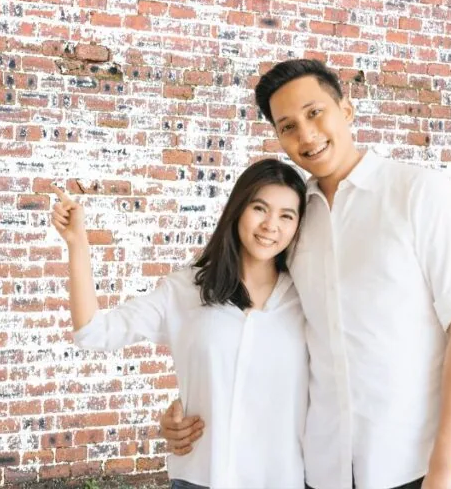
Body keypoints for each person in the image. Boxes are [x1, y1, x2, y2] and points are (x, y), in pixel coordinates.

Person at [160, 59, 451, 489]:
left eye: (315, 113)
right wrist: (191, 400)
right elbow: (257, 321)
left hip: (419, 460)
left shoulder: (420, 194)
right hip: (326, 467)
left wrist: (445, 466)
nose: (306, 135)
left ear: (346, 110)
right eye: (288, 126)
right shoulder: (292, 223)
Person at [52, 159, 310, 488]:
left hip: (282, 478)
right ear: (238, 210)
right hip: (201, 476)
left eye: (286, 215)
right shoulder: (185, 290)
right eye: (260, 208)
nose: (271, 225)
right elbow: (93, 332)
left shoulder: (306, 300)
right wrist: (77, 243)